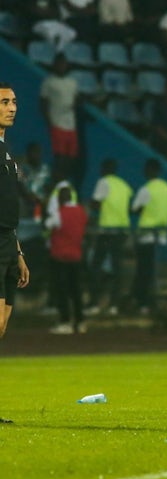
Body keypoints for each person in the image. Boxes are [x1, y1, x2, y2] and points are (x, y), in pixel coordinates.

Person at [0, 82, 30, 424]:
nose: (12, 107)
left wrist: (19, 252)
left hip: (8, 243)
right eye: (5, 101)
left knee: (2, 326)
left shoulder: (7, 154)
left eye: (14, 101)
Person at [85, 158, 132, 315]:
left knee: (95, 266)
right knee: (117, 268)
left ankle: (94, 303)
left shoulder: (104, 182)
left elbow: (95, 203)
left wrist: (89, 208)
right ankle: (114, 305)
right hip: (122, 230)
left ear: (104, 169)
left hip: (107, 230)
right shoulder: (124, 185)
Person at [130, 158, 167, 314]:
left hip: (146, 234)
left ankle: (143, 303)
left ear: (149, 170)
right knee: (151, 270)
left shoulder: (146, 189)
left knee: (144, 271)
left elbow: (135, 209)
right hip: (161, 234)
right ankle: (146, 302)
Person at [45, 186, 88, 334]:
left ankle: (65, 321)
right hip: (76, 256)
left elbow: (48, 225)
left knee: (61, 290)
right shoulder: (81, 212)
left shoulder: (59, 213)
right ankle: (80, 321)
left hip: (60, 257)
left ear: (60, 199)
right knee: (76, 290)